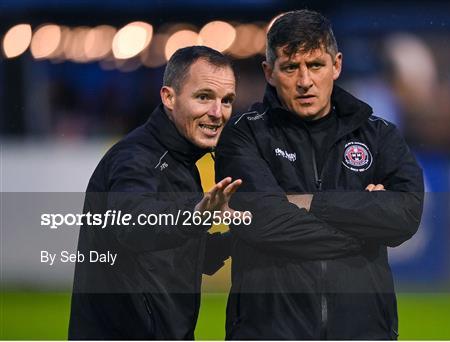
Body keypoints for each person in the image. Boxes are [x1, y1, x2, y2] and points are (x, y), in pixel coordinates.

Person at [215, 10, 424, 340]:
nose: (304, 81)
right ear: (269, 72)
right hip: (269, 331)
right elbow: (265, 222)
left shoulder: (379, 135)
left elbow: (406, 215)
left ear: (336, 65)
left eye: (315, 65)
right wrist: (365, 227)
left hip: (363, 332)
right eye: (289, 68)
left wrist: (303, 203)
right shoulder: (243, 136)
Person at [69, 46, 241, 339]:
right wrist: (194, 218)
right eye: (204, 97)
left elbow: (173, 252)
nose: (217, 113)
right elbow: (134, 225)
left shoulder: (179, 159)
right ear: (169, 97)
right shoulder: (136, 158)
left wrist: (241, 238)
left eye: (226, 101)